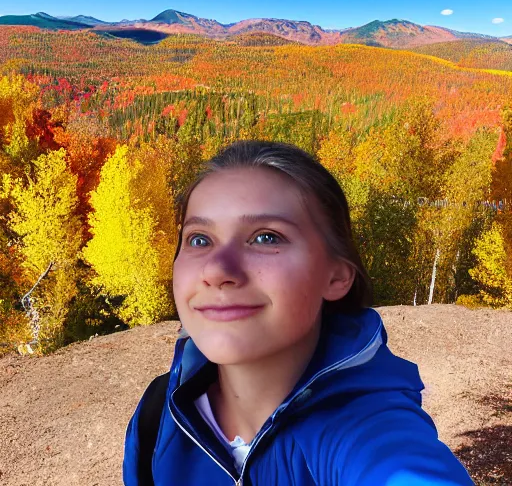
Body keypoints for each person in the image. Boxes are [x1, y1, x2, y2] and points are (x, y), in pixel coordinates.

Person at [123, 140, 474, 485]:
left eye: (266, 238)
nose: (216, 270)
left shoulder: (364, 433)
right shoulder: (159, 415)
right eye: (199, 239)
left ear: (336, 276)